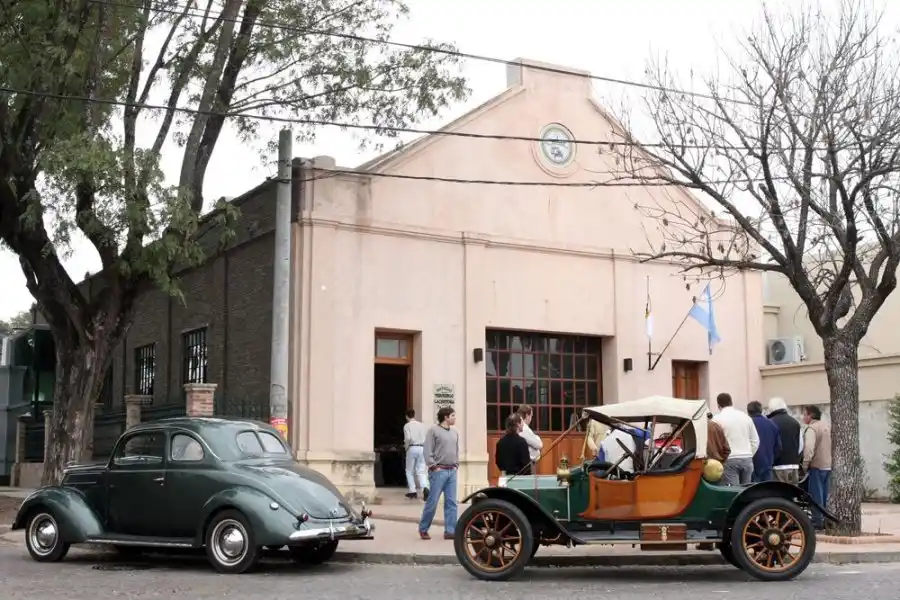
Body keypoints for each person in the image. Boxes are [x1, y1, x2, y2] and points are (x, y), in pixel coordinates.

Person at [419, 407, 459, 540]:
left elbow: (456, 450)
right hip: (439, 471)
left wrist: (456, 465)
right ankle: (423, 529)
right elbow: (427, 450)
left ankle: (450, 530)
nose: (454, 418)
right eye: (452, 416)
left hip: (452, 470)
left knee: (451, 502)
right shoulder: (433, 431)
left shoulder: (455, 433)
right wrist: (433, 466)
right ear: (446, 417)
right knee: (433, 501)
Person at [712, 392, 759, 486]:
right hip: (747, 459)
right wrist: (749, 453)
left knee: (733, 491)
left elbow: (715, 443)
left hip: (729, 460)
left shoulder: (716, 420)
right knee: (746, 491)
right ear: (731, 402)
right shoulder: (746, 417)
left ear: (718, 405)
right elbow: (755, 440)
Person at [802, 405, 832, 530]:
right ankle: (826, 519)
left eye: (804, 414)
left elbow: (809, 449)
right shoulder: (827, 426)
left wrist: (805, 465)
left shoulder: (811, 429)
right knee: (826, 494)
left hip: (817, 466)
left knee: (816, 495)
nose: (803, 417)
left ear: (810, 415)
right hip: (828, 465)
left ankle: (817, 521)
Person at [766, 396, 803, 484]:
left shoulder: (770, 423)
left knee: (778, 493)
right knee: (793, 493)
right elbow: (801, 445)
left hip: (777, 466)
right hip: (793, 465)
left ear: (771, 409)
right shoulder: (795, 422)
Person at [748, 401, 781, 483]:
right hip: (767, 465)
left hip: (752, 465)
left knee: (752, 491)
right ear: (761, 410)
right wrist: (771, 459)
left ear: (748, 411)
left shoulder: (747, 423)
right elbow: (779, 447)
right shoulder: (772, 424)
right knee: (768, 491)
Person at [403, 409, 429, 500]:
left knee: (409, 470)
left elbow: (408, 438)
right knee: (421, 470)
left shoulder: (407, 426)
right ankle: (424, 488)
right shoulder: (422, 425)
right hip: (422, 448)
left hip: (412, 447)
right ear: (414, 415)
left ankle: (412, 491)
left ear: (406, 416)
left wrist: (406, 447)